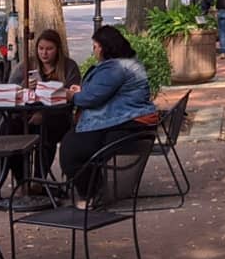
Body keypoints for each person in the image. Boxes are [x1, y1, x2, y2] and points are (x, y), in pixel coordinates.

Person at [59, 25, 159, 204]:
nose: (94, 50)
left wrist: (73, 95)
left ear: (104, 47)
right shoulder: (127, 63)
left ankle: (92, 194)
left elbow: (91, 98)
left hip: (128, 123)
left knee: (72, 150)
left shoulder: (115, 68)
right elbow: (103, 92)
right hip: (132, 120)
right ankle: (94, 191)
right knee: (76, 143)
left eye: (95, 46)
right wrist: (83, 91)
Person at [8, 29, 82, 178]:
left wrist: (45, 113)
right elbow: (11, 90)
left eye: (49, 49)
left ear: (58, 50)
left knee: (47, 131)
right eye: (41, 49)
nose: (44, 53)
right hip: (25, 115)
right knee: (8, 129)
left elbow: (72, 96)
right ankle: (21, 179)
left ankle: (39, 178)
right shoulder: (27, 65)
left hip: (57, 117)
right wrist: (25, 86)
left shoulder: (69, 67)